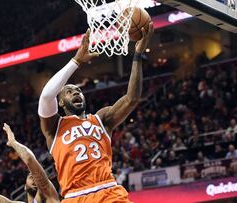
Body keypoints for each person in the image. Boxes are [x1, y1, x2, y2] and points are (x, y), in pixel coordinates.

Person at [38, 23, 154, 203]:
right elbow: (46, 96)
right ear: (60, 101)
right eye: (69, 91)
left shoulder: (101, 119)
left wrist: (137, 55)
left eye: (78, 90)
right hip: (75, 196)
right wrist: (76, 61)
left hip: (109, 191)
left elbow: (131, 99)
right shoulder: (54, 127)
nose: (76, 92)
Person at [0, 125, 59, 203]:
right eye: (30, 176)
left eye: (33, 174)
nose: (33, 176)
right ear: (25, 187)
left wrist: (13, 143)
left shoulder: (49, 196)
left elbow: (30, 160)